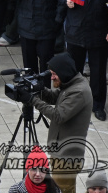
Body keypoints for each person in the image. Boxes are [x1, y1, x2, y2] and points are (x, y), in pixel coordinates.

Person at [25, 53, 93, 193]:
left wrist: (32, 100)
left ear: (64, 72)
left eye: (54, 74)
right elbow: (53, 97)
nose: (52, 77)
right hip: (61, 152)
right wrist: (39, 89)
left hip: (67, 157)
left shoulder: (78, 92)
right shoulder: (70, 84)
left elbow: (58, 115)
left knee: (62, 190)